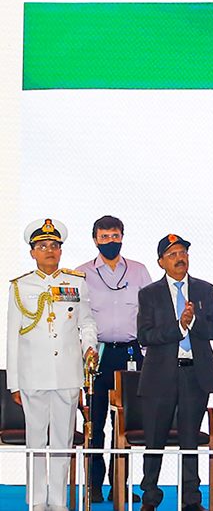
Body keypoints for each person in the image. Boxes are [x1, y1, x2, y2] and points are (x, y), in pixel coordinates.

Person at [8, 218, 97, 511]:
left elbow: (86, 323)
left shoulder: (76, 283)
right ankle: (36, 501)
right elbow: (12, 337)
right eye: (43, 246)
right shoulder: (21, 286)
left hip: (67, 375)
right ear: (33, 252)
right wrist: (14, 383)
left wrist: (90, 349)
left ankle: (58, 502)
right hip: (33, 376)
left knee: (62, 442)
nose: (49, 251)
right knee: (35, 443)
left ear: (61, 250)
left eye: (54, 246)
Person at [138, 233, 213, 511]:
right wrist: (178, 327)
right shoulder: (148, 293)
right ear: (161, 261)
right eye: (172, 254)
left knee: (189, 439)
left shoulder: (205, 290)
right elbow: (145, 335)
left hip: (194, 374)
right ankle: (150, 496)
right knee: (155, 438)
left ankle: (191, 500)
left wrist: (193, 320)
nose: (179, 258)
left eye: (183, 253)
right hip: (159, 376)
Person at [77, 215, 153, 502]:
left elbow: (149, 312)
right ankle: (93, 485)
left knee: (125, 424)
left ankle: (120, 485)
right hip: (98, 356)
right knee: (95, 425)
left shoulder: (138, 271)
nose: (111, 241)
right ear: (95, 239)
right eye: (105, 237)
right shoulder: (81, 273)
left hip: (131, 355)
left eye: (115, 236)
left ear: (123, 236)